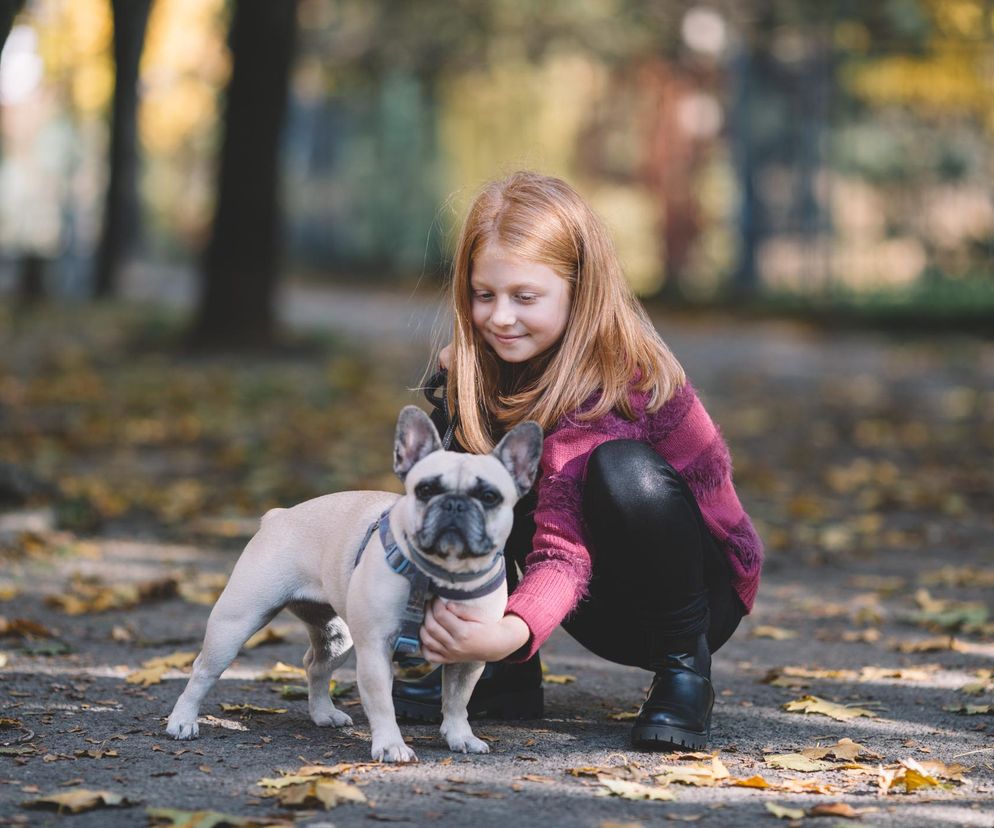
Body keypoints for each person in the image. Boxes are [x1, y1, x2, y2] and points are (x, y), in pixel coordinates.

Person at [392, 171, 763, 750]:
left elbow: (564, 551)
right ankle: (502, 678)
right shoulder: (484, 362)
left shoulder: (615, 382)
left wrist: (505, 633)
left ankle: (684, 675)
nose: (501, 318)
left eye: (525, 297)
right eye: (484, 295)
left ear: (578, 289)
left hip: (695, 595)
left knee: (621, 471)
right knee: (468, 465)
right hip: (594, 605)